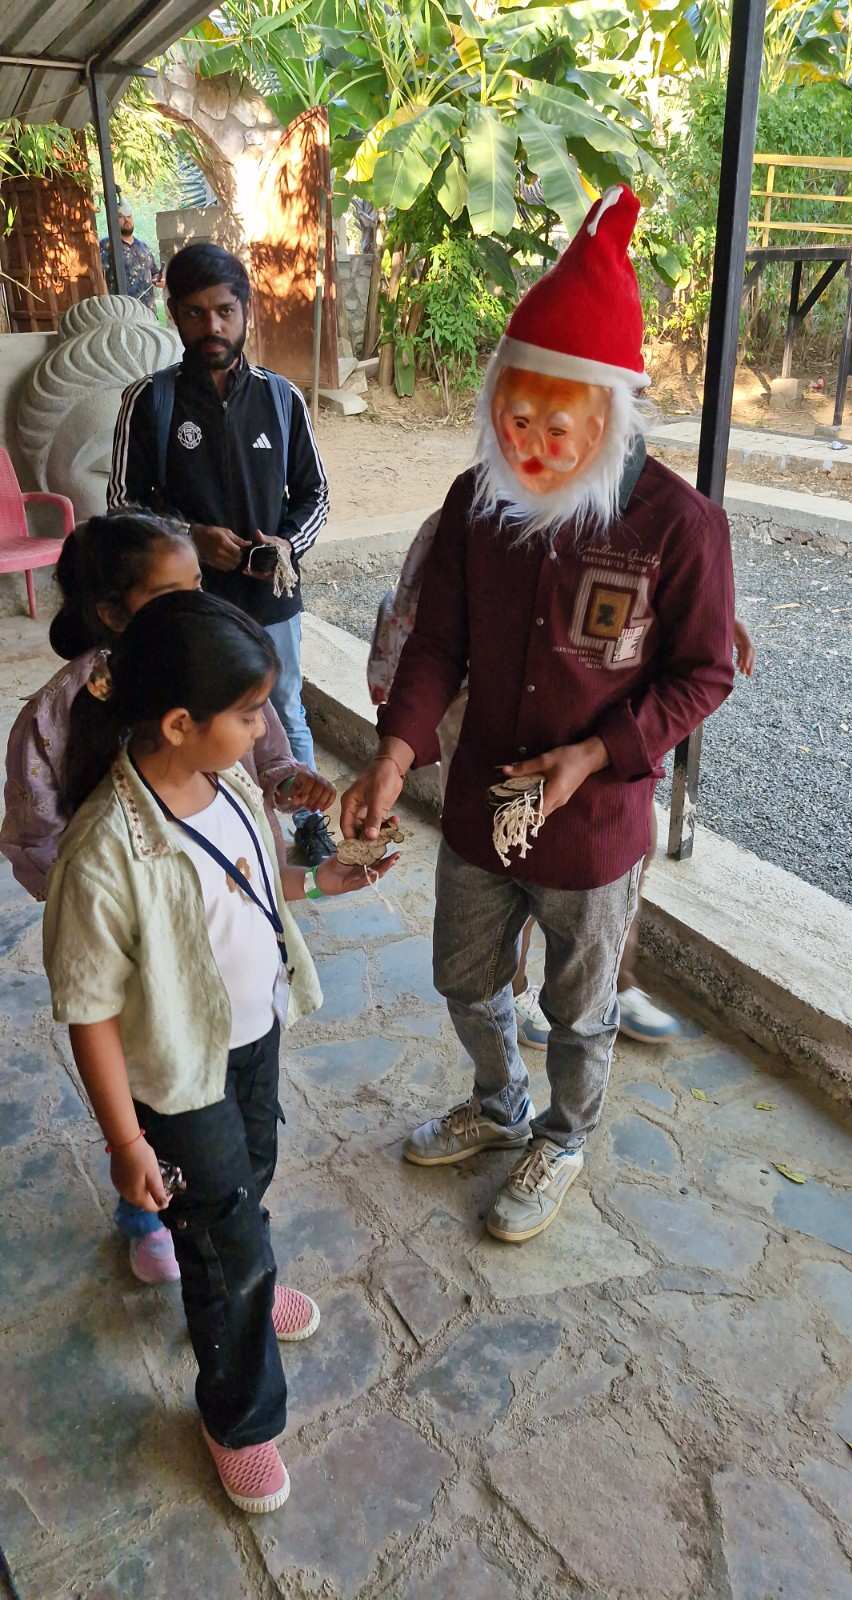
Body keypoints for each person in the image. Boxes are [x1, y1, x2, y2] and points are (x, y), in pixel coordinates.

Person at [342, 185, 736, 1245]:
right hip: (478, 807)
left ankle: (562, 1132)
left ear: (610, 414)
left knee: (580, 1009)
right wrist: (393, 753)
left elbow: (702, 675)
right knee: (464, 981)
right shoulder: (482, 502)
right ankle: (498, 1102)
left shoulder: (679, 525)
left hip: (594, 824)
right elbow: (440, 644)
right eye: (514, 418)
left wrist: (596, 754)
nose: (532, 445)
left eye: (557, 426)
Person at [42, 590, 395, 1513]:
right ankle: (238, 1414)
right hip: (176, 1070)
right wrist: (126, 1143)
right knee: (218, 1233)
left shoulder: (231, 783)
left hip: (251, 1036)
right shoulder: (102, 851)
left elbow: (249, 882)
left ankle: (246, 1267)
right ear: (177, 722)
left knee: (251, 1176)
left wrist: (320, 880)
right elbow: (88, 1010)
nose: (268, 728)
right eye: (249, 713)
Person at [0, 510, 335, 1286]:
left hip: (219, 942)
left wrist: (290, 786)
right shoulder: (57, 716)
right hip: (128, 945)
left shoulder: (219, 673)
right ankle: (152, 1208)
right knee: (151, 1081)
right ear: (112, 613)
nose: (196, 601)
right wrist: (108, 909)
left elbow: (263, 761)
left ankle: (219, 1218)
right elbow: (36, 837)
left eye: (197, 585)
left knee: (221, 1091)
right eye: (170, 591)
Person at [368, 530, 757, 1051]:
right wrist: (396, 753)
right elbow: (434, 639)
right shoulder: (473, 520)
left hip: (585, 730)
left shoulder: (644, 517)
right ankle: (515, 989)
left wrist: (707, 617)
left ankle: (609, 981)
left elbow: (638, 600)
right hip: (487, 721)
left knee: (627, 844)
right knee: (512, 850)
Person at [107, 241, 334, 868]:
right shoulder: (148, 402)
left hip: (271, 595)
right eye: (196, 313)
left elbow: (316, 494)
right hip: (189, 603)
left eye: (225, 312)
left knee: (284, 705)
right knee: (200, 714)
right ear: (173, 314)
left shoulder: (282, 398)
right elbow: (124, 505)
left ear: (247, 311)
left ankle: (308, 820)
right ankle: (218, 829)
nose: (212, 328)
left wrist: (285, 544)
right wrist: (192, 538)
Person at [100, 200, 160, 309]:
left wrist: (159, 278)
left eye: (129, 216)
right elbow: (101, 277)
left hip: (148, 312)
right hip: (122, 313)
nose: (126, 220)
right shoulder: (106, 246)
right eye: (121, 217)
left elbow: (155, 273)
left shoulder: (143, 247)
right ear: (113, 220)